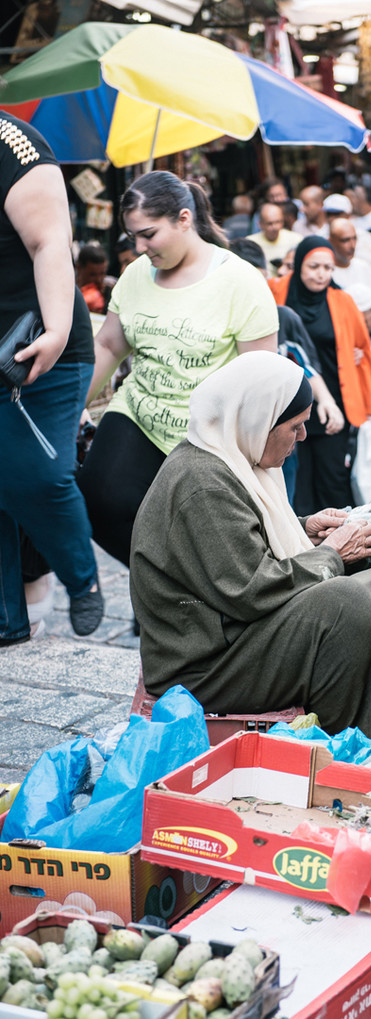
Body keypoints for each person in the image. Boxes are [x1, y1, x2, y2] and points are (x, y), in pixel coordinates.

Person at [130, 352, 371, 746]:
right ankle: (359, 739)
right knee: (344, 604)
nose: (303, 437)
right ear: (258, 422)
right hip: (207, 663)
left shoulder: (233, 458)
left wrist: (305, 530)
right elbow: (251, 591)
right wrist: (332, 554)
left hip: (240, 629)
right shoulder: (203, 483)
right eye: (295, 426)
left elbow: (243, 543)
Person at [77, 170, 278, 568]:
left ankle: (183, 589)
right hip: (139, 412)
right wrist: (67, 409)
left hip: (206, 435)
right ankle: (162, 583)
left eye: (148, 234)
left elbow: (261, 382)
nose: (139, 247)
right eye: (133, 236)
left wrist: (255, 460)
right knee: (99, 502)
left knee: (205, 540)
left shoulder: (241, 281)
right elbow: (109, 344)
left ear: (184, 219)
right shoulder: (136, 274)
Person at [0, 111, 102, 645]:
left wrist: (58, 329)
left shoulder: (11, 142)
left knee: (36, 475)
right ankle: (6, 623)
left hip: (42, 341)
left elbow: (50, 242)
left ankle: (82, 579)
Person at [269, 236, 371, 515]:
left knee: (332, 479)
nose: (321, 274)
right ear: (299, 265)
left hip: (332, 402)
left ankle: (337, 534)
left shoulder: (342, 301)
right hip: (287, 405)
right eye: (314, 267)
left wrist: (368, 408)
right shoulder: (276, 291)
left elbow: (363, 348)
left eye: (328, 268)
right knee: (295, 482)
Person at [229, 237, 344, 503]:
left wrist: (327, 401)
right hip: (234, 433)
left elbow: (304, 365)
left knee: (281, 499)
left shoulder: (283, 316)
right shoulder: (219, 321)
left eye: (260, 282)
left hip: (278, 429)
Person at [328, 217, 371, 295]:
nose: (352, 246)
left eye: (354, 238)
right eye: (345, 240)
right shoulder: (326, 272)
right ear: (331, 241)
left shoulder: (365, 268)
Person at [247, 202, 300, 276]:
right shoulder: (250, 243)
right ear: (260, 224)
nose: (275, 227)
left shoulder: (296, 239)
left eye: (278, 222)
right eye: (270, 223)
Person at [75, 243, 114, 314]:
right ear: (79, 268)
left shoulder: (111, 289)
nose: (98, 280)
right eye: (92, 275)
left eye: (102, 273)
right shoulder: (68, 289)